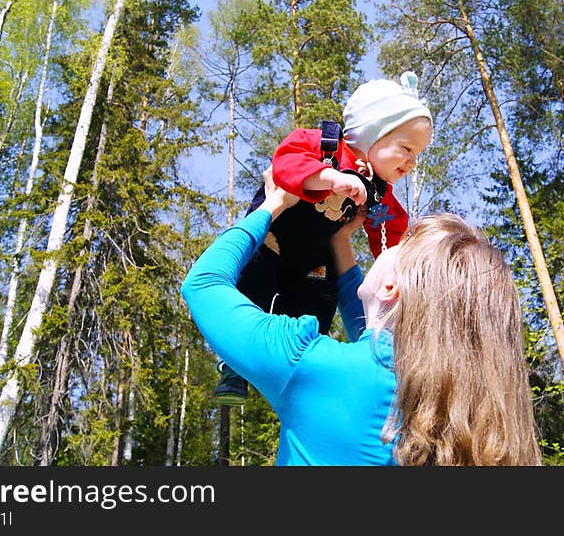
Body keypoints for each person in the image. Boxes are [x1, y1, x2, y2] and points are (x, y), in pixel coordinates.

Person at [181, 166, 542, 465]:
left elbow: (203, 285)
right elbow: (373, 334)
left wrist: (272, 205)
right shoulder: (463, 411)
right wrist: (340, 241)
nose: (389, 244)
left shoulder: (308, 365)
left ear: (390, 288)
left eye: (401, 246)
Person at [213, 70, 434, 405]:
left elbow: (394, 236)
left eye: (416, 154)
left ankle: (301, 375)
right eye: (406, 148)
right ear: (373, 132)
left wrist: (412, 269)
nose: (411, 162)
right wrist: (327, 178)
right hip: (273, 243)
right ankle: (234, 368)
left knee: (313, 313)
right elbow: (285, 163)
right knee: (251, 292)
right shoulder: (322, 146)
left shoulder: (379, 195)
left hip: (315, 261)